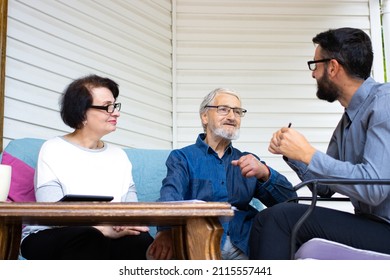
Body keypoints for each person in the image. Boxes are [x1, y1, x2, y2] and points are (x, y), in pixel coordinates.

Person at [249, 27, 390, 259]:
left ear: (333, 67)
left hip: (385, 228)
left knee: (278, 218)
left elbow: (373, 188)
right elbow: (323, 187)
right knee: (269, 218)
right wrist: (294, 154)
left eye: (315, 65)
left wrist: (308, 154)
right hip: (371, 224)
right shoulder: (346, 123)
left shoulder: (384, 101)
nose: (313, 74)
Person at [147, 88, 297, 260]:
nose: (232, 117)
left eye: (237, 112)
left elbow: (289, 202)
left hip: (244, 244)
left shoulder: (248, 161)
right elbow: (170, 197)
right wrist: (166, 232)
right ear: (204, 117)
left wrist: (265, 172)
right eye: (223, 109)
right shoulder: (182, 158)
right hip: (198, 244)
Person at [20, 74, 153, 259]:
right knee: (88, 236)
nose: (116, 112)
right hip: (56, 233)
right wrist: (102, 229)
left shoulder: (119, 156)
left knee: (141, 239)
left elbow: (130, 210)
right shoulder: (53, 149)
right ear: (82, 113)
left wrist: (126, 223)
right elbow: (52, 214)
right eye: (108, 107)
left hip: (107, 235)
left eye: (115, 105)